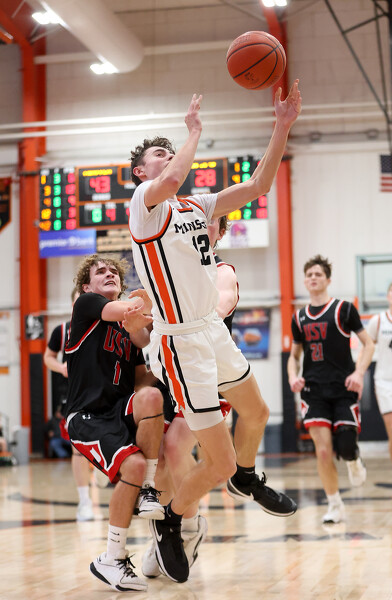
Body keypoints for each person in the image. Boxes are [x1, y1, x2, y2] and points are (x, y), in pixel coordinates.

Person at [129, 82, 302, 583]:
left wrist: (282, 125)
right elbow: (174, 175)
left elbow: (258, 186)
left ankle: (246, 477)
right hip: (181, 341)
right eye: (157, 154)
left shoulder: (197, 206)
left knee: (258, 412)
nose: (167, 157)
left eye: (170, 151)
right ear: (140, 172)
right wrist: (193, 132)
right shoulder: (145, 205)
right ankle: (171, 520)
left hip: (213, 331)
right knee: (216, 462)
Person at [141, 215, 235, 578]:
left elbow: (221, 306)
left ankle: (189, 526)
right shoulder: (168, 267)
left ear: (220, 233)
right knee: (162, 457)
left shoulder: (222, 271)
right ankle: (167, 532)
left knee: (178, 447)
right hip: (170, 369)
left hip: (207, 372)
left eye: (210, 222)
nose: (199, 226)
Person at [65, 254, 165, 593]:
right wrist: (155, 303)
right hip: (87, 416)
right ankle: (112, 555)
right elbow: (134, 315)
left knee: (151, 398)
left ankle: (146, 491)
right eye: (101, 272)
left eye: (114, 272)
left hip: (118, 409)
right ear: (86, 286)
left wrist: (170, 367)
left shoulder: (127, 327)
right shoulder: (87, 306)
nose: (109, 274)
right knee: (132, 465)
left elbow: (141, 380)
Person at [287, 255, 374, 524]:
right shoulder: (298, 317)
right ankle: (335, 505)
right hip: (314, 391)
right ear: (305, 281)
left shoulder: (344, 309)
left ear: (328, 280)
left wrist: (359, 373)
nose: (313, 278)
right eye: (309, 274)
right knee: (323, 451)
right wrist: (292, 376)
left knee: (345, 447)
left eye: (318, 274)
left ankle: (353, 459)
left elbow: (369, 344)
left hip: (343, 388)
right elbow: (294, 356)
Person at [44, 288, 95, 521]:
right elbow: (48, 357)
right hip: (75, 396)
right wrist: (61, 367)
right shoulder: (62, 330)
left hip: (105, 393)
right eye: (79, 301)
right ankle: (84, 501)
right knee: (78, 450)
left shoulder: (106, 325)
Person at [367, 279, 392, 498]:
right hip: (386, 381)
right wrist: (358, 373)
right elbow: (366, 348)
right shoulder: (377, 321)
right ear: (388, 295)